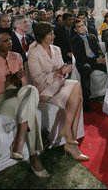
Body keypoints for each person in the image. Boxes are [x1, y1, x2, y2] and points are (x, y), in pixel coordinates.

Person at [0, 28, 49, 178]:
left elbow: (23, 83)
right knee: (31, 112)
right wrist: (5, 84)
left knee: (30, 89)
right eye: (5, 41)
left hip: (19, 94)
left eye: (10, 39)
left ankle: (18, 141)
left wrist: (19, 79)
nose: (10, 43)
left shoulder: (17, 57)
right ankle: (34, 156)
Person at [27, 22, 89, 161]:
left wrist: (64, 70)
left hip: (59, 84)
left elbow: (61, 68)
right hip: (44, 90)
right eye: (51, 34)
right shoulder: (34, 53)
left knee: (76, 87)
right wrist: (57, 73)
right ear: (42, 36)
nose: (54, 36)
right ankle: (71, 139)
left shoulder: (56, 49)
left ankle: (69, 135)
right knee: (78, 96)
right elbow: (36, 79)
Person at [70, 19, 107, 112]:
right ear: (75, 30)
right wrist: (96, 60)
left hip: (96, 61)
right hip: (84, 62)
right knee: (86, 69)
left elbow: (98, 50)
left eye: (82, 25)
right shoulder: (74, 41)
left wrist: (102, 57)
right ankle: (86, 99)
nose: (82, 28)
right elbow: (80, 57)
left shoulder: (92, 37)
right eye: (79, 27)